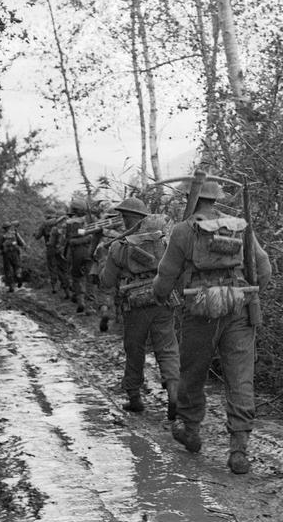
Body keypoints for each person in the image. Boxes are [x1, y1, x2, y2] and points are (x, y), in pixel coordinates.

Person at [152, 179, 271, 474]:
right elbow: (264, 267)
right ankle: (239, 449)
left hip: (200, 309)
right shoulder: (239, 226)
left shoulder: (183, 231)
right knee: (240, 376)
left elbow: (165, 277)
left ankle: (191, 429)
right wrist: (245, 294)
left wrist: (162, 295)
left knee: (193, 371)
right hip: (239, 307)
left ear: (189, 200)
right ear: (215, 200)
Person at [99, 197, 180, 419]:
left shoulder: (118, 246)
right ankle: (173, 396)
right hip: (162, 299)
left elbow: (106, 281)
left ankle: (135, 398)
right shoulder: (163, 241)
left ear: (126, 218)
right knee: (168, 348)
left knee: (134, 350)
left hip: (134, 305)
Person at [63, 193, 94, 313]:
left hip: (75, 252)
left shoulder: (69, 223)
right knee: (89, 277)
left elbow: (67, 239)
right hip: (88, 251)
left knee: (76, 276)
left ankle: (81, 300)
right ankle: (90, 305)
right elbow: (90, 236)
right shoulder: (87, 222)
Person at [34, 208, 61, 294]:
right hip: (61, 247)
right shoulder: (60, 222)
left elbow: (37, 237)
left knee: (52, 267)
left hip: (50, 248)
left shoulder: (44, 224)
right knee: (63, 267)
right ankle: (65, 287)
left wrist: (35, 234)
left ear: (46, 215)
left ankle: (54, 287)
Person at [0, 221, 25, 292]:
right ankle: (19, 277)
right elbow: (22, 243)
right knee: (17, 267)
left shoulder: (3, 236)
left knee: (8, 270)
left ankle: (11, 287)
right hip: (15, 253)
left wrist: (0, 250)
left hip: (6, 255)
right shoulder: (15, 234)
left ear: (4, 228)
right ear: (10, 227)